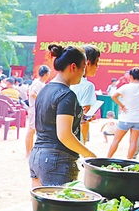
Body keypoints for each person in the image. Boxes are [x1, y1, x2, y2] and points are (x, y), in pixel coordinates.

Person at [29, 45, 95, 187]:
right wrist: (89, 154)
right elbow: (64, 135)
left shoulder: (45, 89)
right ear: (73, 67)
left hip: (37, 156)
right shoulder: (67, 95)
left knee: (39, 206)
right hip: (57, 160)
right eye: (83, 68)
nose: (83, 73)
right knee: (59, 207)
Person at [69, 45, 99, 144]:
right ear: (88, 63)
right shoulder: (88, 86)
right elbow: (84, 115)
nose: (97, 67)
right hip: (76, 132)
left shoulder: (67, 81)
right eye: (97, 62)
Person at [25, 65, 52, 157]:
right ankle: (28, 152)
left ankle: (31, 150)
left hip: (37, 109)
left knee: (34, 130)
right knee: (31, 130)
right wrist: (41, 100)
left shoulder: (40, 83)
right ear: (46, 74)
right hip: (34, 109)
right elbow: (33, 93)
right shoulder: (38, 83)